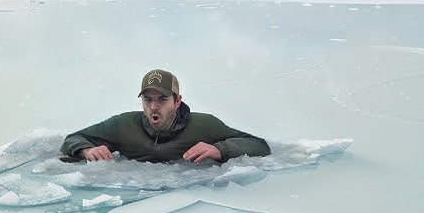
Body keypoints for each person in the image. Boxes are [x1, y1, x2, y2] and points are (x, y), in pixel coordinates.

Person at [60, 69, 271, 163]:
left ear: (177, 101)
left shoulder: (204, 125)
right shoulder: (123, 124)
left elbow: (259, 145)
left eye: (162, 99)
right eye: (147, 100)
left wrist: (219, 149)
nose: (153, 107)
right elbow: (72, 139)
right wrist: (87, 150)